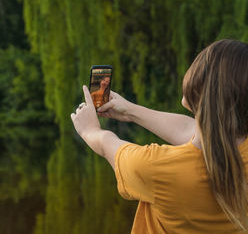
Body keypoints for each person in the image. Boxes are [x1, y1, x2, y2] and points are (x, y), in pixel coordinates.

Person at [70, 39, 248, 233]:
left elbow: (107, 145)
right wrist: (130, 110)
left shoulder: (156, 169)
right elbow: (189, 129)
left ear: (203, 87)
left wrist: (89, 130)